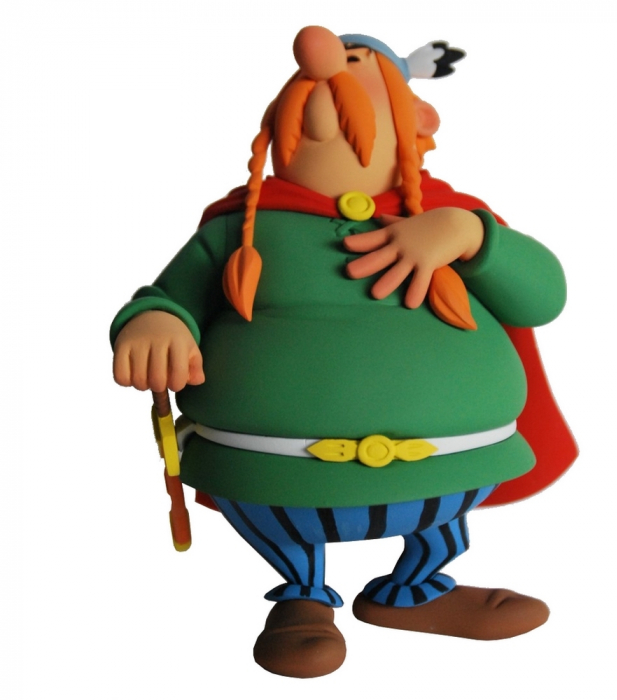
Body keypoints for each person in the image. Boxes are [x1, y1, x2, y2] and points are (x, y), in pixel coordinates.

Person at [111, 26, 574, 678]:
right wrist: (155, 322)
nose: (324, 69)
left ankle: (417, 588)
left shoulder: (451, 216)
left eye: (356, 65)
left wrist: (470, 233)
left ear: (420, 118)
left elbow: (543, 298)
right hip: (273, 476)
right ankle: (302, 600)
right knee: (283, 525)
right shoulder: (240, 227)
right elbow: (170, 294)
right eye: (306, 83)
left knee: (439, 515)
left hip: (450, 468)